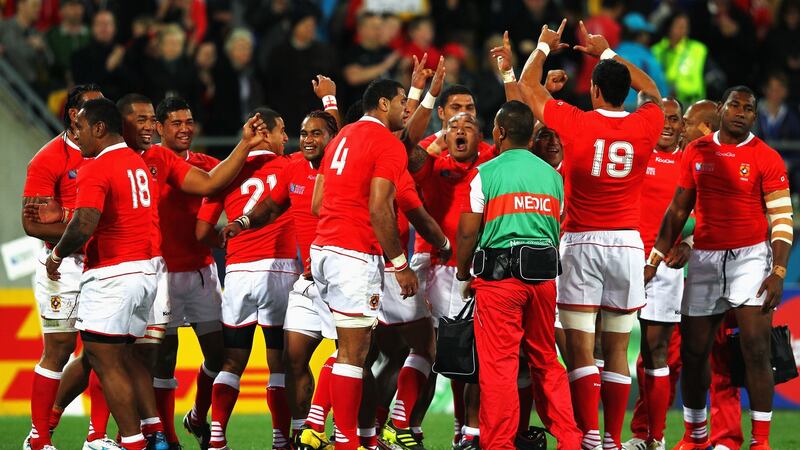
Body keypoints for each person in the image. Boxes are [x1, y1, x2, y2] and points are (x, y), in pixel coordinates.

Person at [517, 19, 664, 450]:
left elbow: (528, 86)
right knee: (617, 348)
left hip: (581, 241)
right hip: (627, 245)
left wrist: (543, 46)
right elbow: (652, 90)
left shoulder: (576, 123)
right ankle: (615, 440)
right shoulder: (646, 124)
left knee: (581, 350)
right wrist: (606, 52)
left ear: (595, 91)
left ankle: (590, 437)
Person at [645, 86, 792, 450]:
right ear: (722, 110)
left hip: (751, 258)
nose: (740, 112)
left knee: (756, 350)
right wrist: (655, 258)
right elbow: (678, 209)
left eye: (748, 108)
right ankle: (696, 438)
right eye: (735, 105)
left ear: (754, 117)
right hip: (706, 259)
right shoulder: (696, 150)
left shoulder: (767, 157)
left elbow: (782, 219)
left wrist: (777, 271)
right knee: (694, 353)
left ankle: (760, 442)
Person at [455, 100, 575, 450]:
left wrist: (464, 271)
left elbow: (466, 232)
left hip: (500, 281)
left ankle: (500, 445)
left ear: (501, 132)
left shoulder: (487, 173)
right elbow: (558, 223)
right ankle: (570, 440)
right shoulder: (553, 177)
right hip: (543, 281)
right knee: (547, 361)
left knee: (500, 368)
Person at [222, 108, 340, 450]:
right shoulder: (292, 169)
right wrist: (242, 223)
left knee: (350, 356)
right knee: (292, 359)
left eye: (316, 133)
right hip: (307, 280)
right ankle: (303, 432)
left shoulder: (342, 170)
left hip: (343, 275)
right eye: (303, 133)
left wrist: (330, 100)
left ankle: (359, 430)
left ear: (333, 140)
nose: (306, 139)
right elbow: (271, 208)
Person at [44, 97, 158, 450]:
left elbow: (85, 221)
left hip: (113, 273)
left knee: (105, 361)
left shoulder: (97, 166)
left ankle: (133, 442)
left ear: (99, 128)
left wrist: (58, 254)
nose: (74, 136)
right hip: (145, 271)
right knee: (110, 355)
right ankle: (143, 435)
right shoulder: (136, 163)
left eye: (79, 128)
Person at [309, 78, 415, 450]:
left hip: (324, 248)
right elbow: (379, 208)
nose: (407, 108)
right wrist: (399, 263)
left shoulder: (342, 137)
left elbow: (317, 203)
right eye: (403, 101)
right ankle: (347, 442)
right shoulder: (387, 144)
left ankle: (348, 437)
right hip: (353, 254)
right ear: (384, 103)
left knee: (347, 351)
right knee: (354, 354)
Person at [195, 107, 297, 450]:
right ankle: (281, 439)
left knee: (231, 360)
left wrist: (229, 240)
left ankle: (219, 436)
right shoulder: (292, 166)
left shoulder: (226, 173)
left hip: (238, 272)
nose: (287, 137)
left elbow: (202, 230)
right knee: (279, 363)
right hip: (280, 271)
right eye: (282, 130)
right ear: (267, 133)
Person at [21, 84, 104, 450]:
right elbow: (33, 224)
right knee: (59, 347)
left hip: (105, 263)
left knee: (106, 350)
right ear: (74, 114)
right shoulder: (48, 158)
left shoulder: (109, 152)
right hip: (63, 266)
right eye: (95, 107)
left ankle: (97, 437)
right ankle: (38, 437)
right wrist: (81, 227)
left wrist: (70, 216)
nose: (104, 112)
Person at [151, 97, 224, 450]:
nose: (185, 128)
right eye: (176, 123)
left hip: (201, 274)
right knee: (165, 358)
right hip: (162, 275)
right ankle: (167, 435)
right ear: (160, 128)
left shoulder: (206, 165)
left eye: (189, 121)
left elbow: (237, 182)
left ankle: (196, 414)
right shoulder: (148, 164)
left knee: (220, 354)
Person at [622, 98, 688, 450]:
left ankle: (654, 438)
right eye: (661, 118)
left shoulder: (689, 162)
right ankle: (604, 436)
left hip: (663, 268)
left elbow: (705, 212)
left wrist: (689, 242)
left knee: (655, 353)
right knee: (606, 349)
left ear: (682, 126)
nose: (667, 124)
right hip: (621, 259)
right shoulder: (633, 153)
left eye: (674, 119)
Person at [342, 11, 400, 106]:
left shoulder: (389, 52)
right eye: (374, 27)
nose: (378, 30)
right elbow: (353, 77)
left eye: (380, 27)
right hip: (359, 110)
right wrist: (385, 65)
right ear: (361, 29)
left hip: (386, 112)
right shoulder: (352, 52)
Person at [651, 12, 707, 107]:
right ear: (669, 27)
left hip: (691, 103)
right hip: (662, 102)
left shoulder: (697, 49)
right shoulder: (656, 50)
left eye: (685, 26)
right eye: (679, 25)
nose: (683, 29)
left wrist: (679, 88)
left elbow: (697, 80)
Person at [0, 0, 52, 96]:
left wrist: (41, 49)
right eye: (34, 6)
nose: (38, 10)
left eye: (40, 6)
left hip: (34, 87)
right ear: (21, 5)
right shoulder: (4, 27)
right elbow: (14, 52)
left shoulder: (37, 33)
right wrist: (28, 44)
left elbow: (50, 61)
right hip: (8, 86)